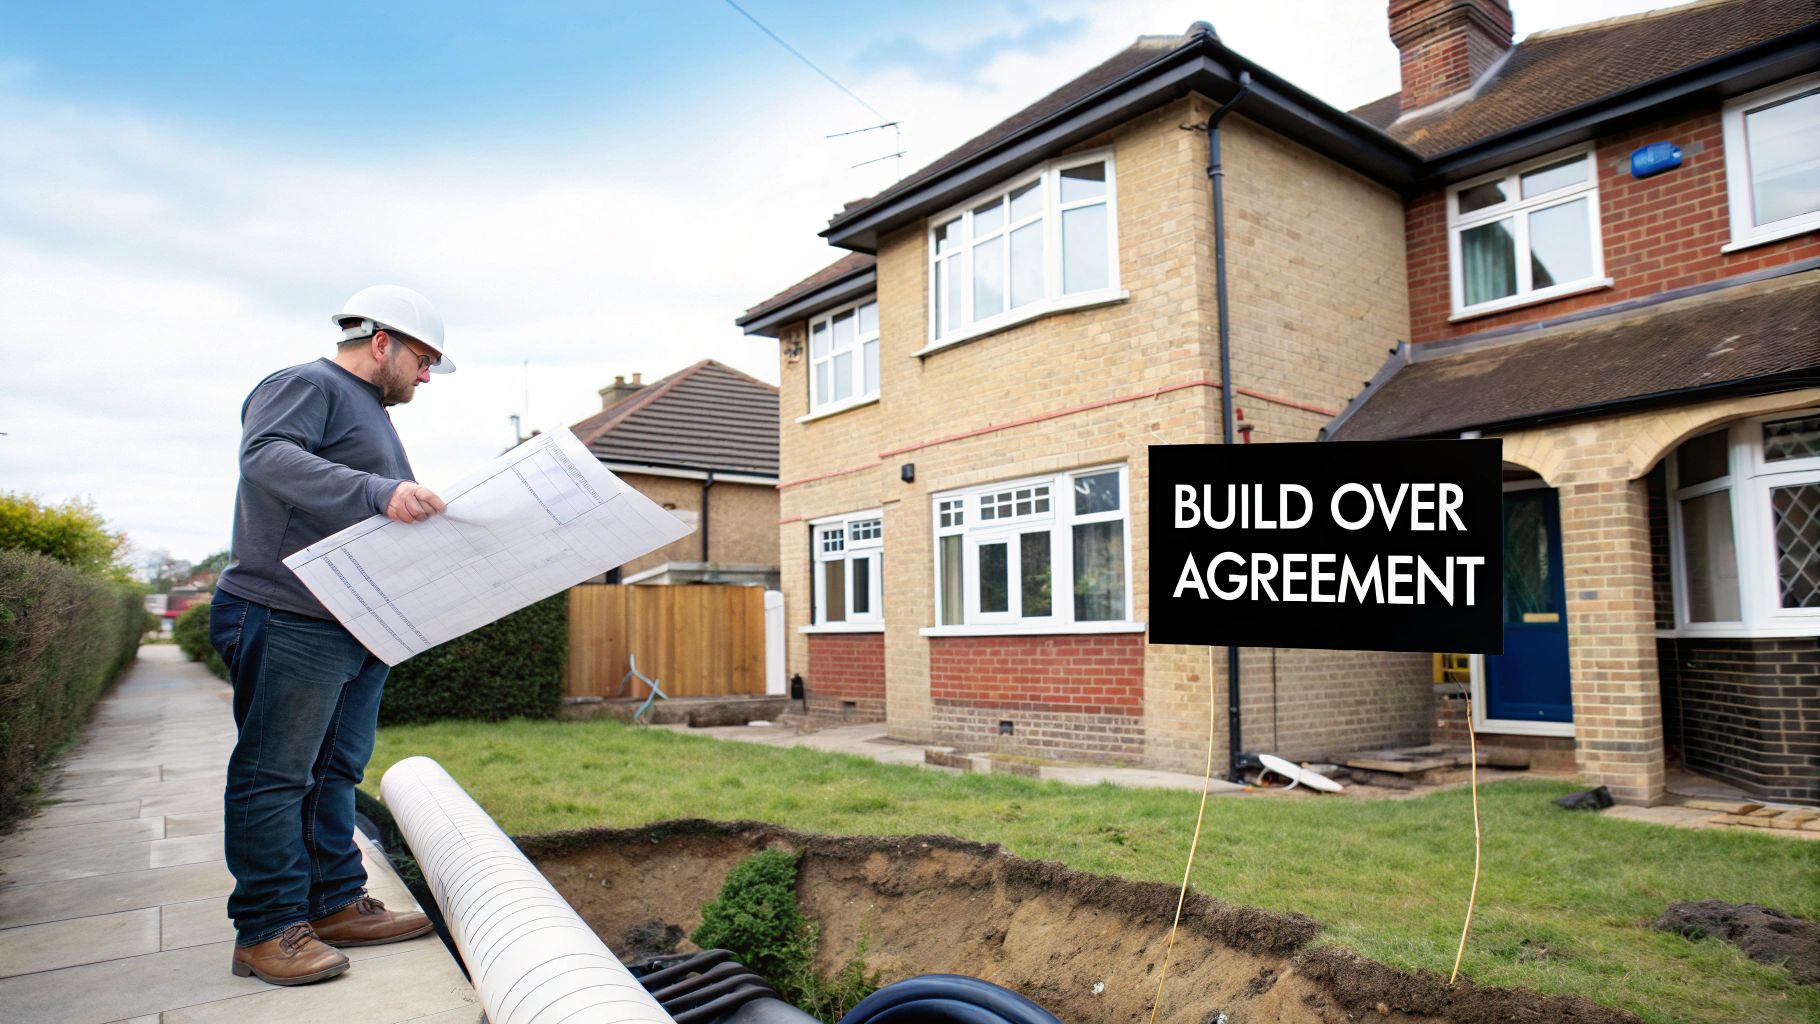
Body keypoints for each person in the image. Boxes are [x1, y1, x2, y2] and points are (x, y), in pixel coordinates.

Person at [209, 285, 454, 985]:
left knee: (335, 771)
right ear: (383, 342)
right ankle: (264, 930)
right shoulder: (303, 384)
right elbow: (267, 458)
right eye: (424, 359)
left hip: (354, 623)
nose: (426, 376)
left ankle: (334, 903)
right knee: (275, 775)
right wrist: (380, 492)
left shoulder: (370, 414)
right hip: (288, 613)